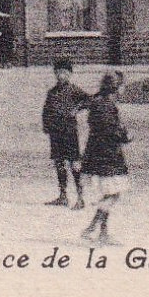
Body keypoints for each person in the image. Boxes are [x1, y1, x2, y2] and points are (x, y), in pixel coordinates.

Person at [79, 72, 130, 246]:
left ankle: (103, 232)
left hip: (97, 154)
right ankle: (92, 227)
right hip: (107, 155)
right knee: (114, 194)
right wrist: (125, 136)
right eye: (122, 85)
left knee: (110, 193)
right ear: (116, 87)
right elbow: (110, 131)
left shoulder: (99, 102)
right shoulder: (107, 106)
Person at [41, 57, 91, 209]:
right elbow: (46, 110)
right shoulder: (52, 92)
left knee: (74, 164)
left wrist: (76, 109)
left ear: (69, 74)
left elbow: (88, 100)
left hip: (69, 133)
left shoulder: (74, 90)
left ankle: (80, 197)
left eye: (64, 73)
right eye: (58, 72)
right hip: (55, 133)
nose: (61, 76)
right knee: (59, 163)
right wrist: (46, 125)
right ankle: (63, 195)